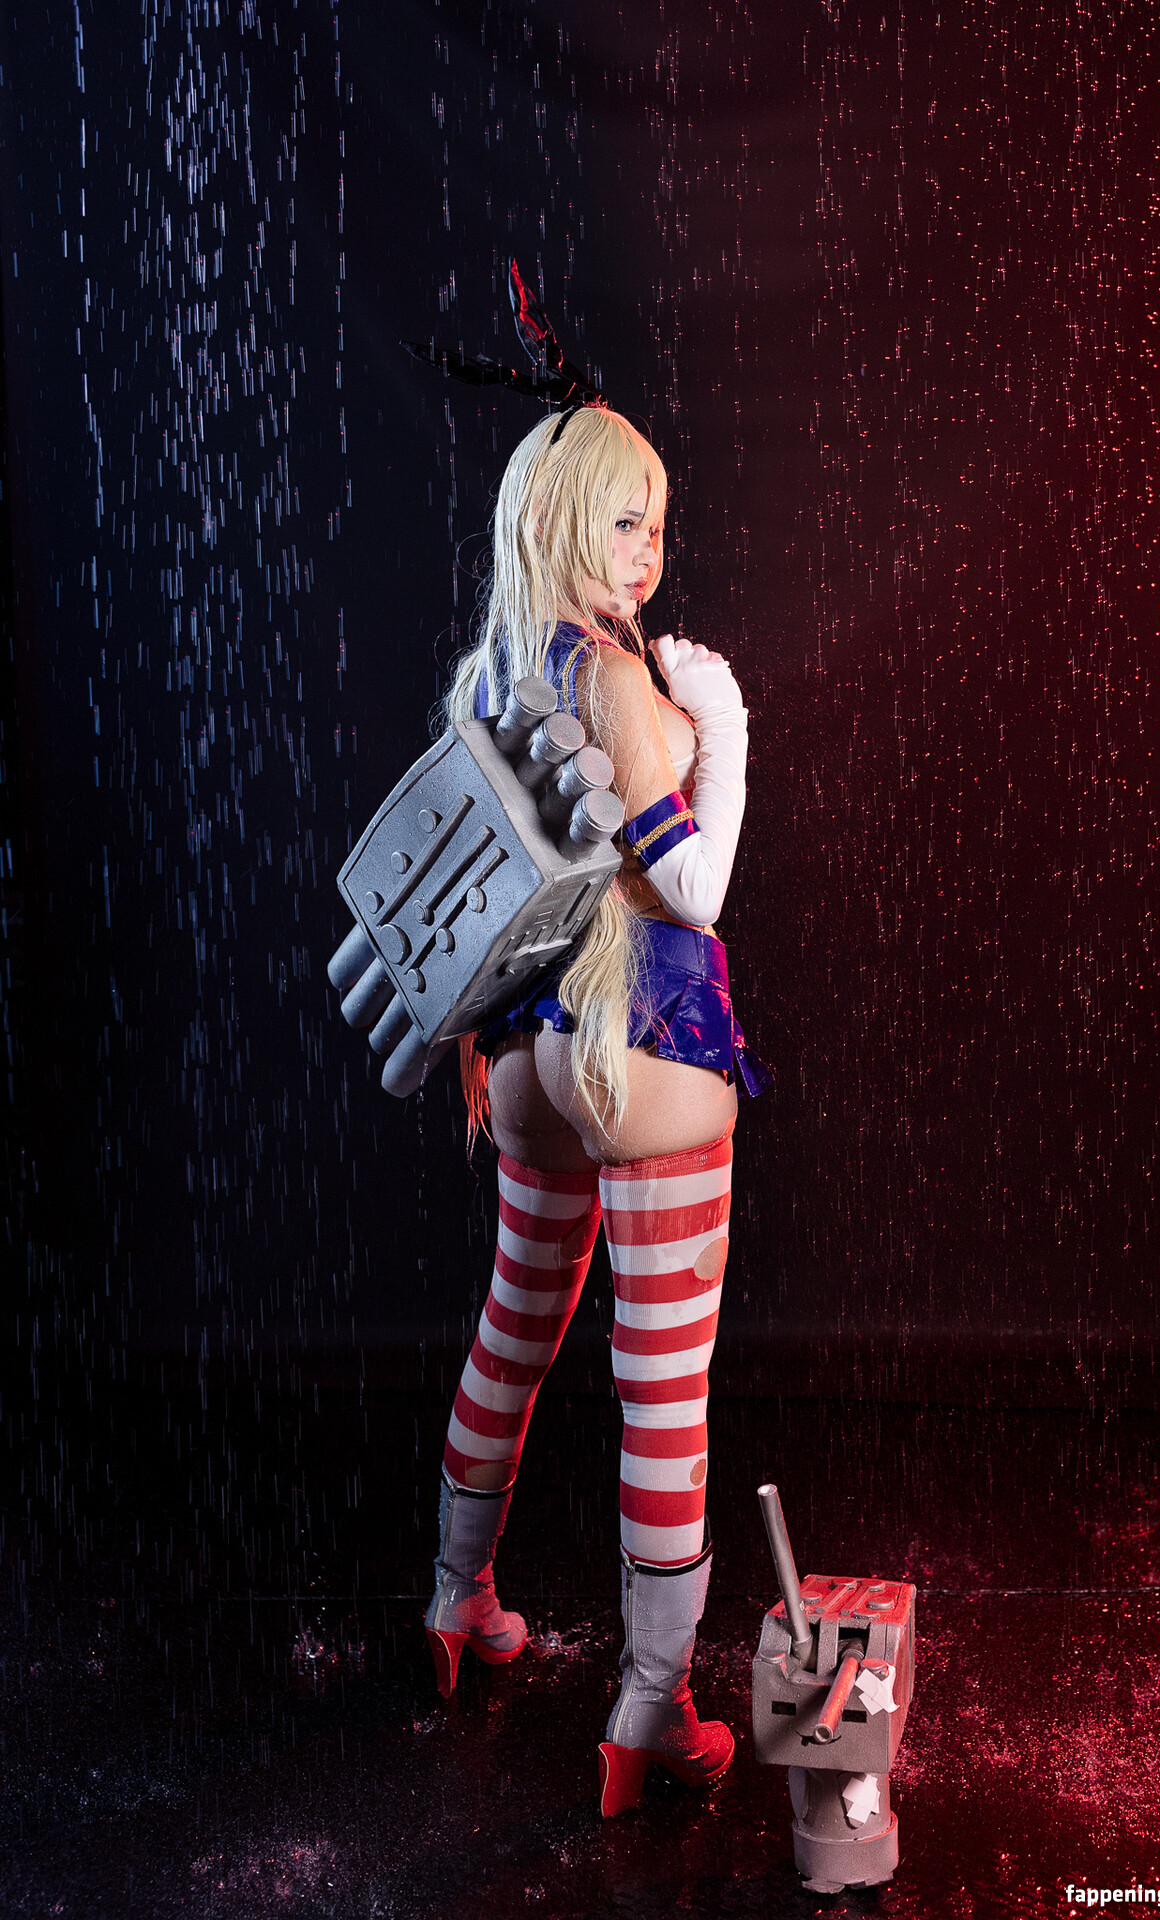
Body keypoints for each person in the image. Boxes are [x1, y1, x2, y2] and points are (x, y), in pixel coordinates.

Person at [422, 403, 770, 1817]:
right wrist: (723, 730)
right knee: (662, 1386)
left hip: (525, 1048)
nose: (648, 550)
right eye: (624, 518)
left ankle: (455, 1599)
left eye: (658, 523)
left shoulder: (496, 668)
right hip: (645, 1044)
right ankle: (652, 1706)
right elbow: (693, 892)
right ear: (559, 516)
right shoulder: (612, 680)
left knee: (513, 1328)